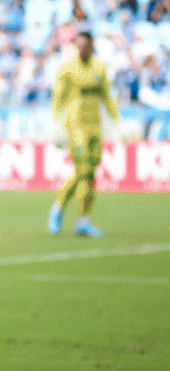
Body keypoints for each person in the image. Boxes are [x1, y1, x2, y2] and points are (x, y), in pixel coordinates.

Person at [47, 31, 120, 238]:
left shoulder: (99, 68)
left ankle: (83, 221)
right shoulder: (67, 69)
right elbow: (57, 98)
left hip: (94, 126)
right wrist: (56, 123)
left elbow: (107, 97)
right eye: (77, 45)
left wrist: (118, 122)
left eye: (84, 45)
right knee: (82, 170)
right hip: (75, 125)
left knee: (90, 174)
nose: (81, 49)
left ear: (90, 46)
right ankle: (58, 207)